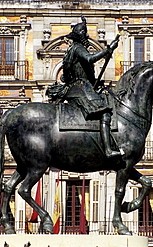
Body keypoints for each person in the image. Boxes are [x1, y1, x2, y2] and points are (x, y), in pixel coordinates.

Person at [61, 16, 121, 158]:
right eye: (85, 34)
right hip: (81, 89)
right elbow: (90, 58)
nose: (87, 36)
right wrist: (108, 49)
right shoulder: (78, 48)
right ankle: (107, 150)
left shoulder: (71, 50)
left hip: (79, 87)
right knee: (105, 112)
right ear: (80, 35)